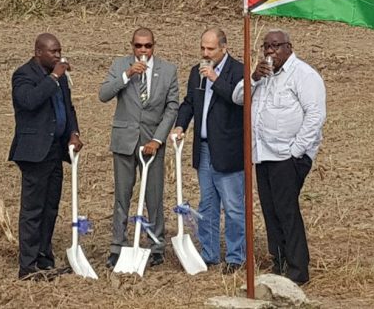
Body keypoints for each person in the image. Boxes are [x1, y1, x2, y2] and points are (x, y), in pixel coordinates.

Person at [232, 29, 326, 285]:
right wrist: (253, 77)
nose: (270, 51)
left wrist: (296, 152)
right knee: (270, 210)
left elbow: (315, 116)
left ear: (289, 47)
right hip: (263, 154)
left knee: (287, 211)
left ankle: (298, 270)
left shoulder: (303, 75)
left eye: (276, 46)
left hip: (288, 156)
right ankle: (280, 263)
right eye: (266, 47)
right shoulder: (262, 75)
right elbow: (238, 97)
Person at [99, 27, 179, 269]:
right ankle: (117, 245)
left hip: (151, 141)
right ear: (131, 46)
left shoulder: (168, 70)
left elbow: (172, 107)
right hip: (125, 139)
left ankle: (156, 245)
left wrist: (158, 139)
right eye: (138, 46)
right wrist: (126, 75)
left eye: (147, 46)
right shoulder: (120, 65)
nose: (143, 50)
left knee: (153, 196)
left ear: (154, 45)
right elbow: (103, 94)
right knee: (122, 195)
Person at [9, 33, 84, 281]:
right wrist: (54, 77)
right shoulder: (23, 75)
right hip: (34, 152)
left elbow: (68, 107)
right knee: (33, 209)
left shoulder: (59, 79)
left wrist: (73, 132)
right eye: (53, 51)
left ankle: (44, 259)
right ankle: (28, 266)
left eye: (59, 51)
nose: (58, 55)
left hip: (55, 149)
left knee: (50, 206)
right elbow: (29, 101)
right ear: (38, 52)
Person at [170, 28, 245, 273]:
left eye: (210, 49)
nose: (205, 53)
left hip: (228, 150)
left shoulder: (238, 71)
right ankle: (209, 253)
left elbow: (238, 100)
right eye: (202, 47)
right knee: (207, 205)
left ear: (224, 47)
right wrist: (180, 125)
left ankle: (236, 257)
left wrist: (214, 78)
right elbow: (190, 103)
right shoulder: (196, 72)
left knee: (233, 206)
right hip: (203, 149)